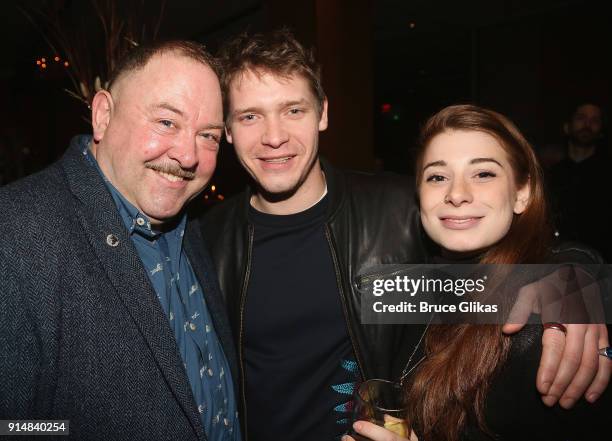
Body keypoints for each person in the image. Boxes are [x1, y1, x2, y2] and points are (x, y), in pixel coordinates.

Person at [200, 29, 609, 441]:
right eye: (250, 116)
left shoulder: (398, 210)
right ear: (228, 129)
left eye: (293, 110)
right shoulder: (206, 241)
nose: (274, 136)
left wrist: (574, 273)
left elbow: (493, 265)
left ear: (323, 113)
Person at [0, 41, 240, 441]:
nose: (187, 155)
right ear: (103, 115)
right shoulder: (15, 235)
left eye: (209, 136)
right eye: (166, 122)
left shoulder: (195, 227)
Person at [347, 104, 611, 441]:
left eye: (483, 174)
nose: (456, 194)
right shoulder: (408, 280)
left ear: (522, 193)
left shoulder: (542, 325)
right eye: (437, 176)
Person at [548, 102, 610, 261]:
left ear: (601, 131)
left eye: (595, 120)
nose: (587, 125)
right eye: (581, 118)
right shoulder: (550, 175)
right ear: (567, 127)